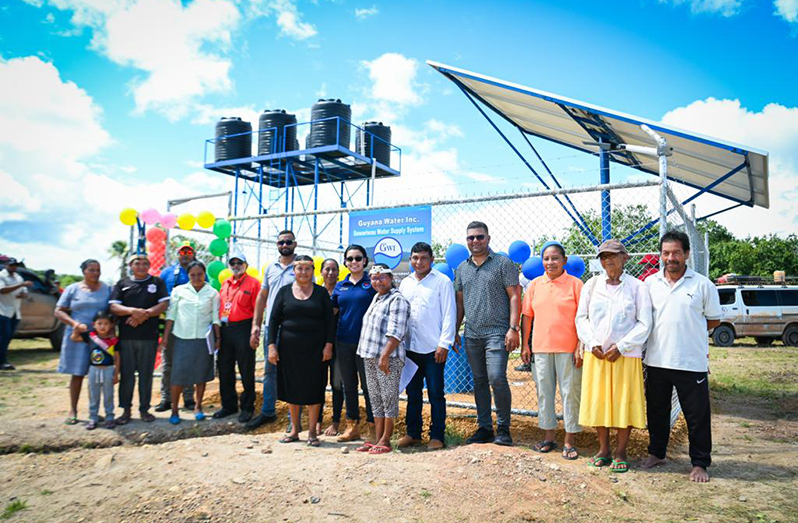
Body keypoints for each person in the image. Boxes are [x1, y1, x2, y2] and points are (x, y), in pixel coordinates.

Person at [642, 231, 721, 483]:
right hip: (655, 361)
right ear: (661, 256)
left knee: (696, 416)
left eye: (676, 252)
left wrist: (688, 333)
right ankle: (657, 453)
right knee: (656, 411)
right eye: (666, 253)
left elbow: (714, 319)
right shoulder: (650, 284)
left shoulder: (702, 285)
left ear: (686, 254)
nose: (671, 257)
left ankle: (699, 463)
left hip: (690, 363)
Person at [575, 240, 652, 472]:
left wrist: (622, 346)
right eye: (603, 256)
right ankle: (603, 449)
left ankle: (620, 452)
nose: (608, 260)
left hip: (625, 356)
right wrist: (592, 342)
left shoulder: (638, 287)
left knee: (623, 403)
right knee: (599, 401)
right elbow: (582, 318)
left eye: (613, 255)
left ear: (625, 258)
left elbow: (645, 323)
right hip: (597, 355)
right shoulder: (591, 284)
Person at [454, 222, 520, 446]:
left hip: (498, 333)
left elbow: (514, 296)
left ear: (488, 238)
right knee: (479, 381)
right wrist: (455, 331)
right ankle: (484, 428)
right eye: (471, 238)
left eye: (479, 237)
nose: (475, 241)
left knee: (496, 378)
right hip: (472, 334)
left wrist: (513, 328)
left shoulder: (503, 263)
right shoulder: (462, 268)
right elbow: (460, 303)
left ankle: (504, 429)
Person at [521, 241, 584, 459]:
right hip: (540, 348)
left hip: (568, 349)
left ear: (564, 261)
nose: (550, 262)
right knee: (544, 394)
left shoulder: (576, 285)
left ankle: (569, 440)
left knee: (570, 393)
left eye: (555, 258)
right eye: (546, 258)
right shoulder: (535, 285)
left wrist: (579, 346)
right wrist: (525, 344)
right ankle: (549, 437)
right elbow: (527, 316)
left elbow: (583, 319)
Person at [267, 255, 335, 446]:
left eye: (307, 268)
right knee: (292, 389)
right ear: (293, 270)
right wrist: (271, 346)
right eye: (299, 268)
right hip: (289, 351)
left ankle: (312, 432)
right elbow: (273, 320)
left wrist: (328, 345)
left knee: (314, 389)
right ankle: (295, 430)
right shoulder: (283, 292)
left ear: (313, 270)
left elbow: (330, 322)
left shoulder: (321, 293)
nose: (303, 272)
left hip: (316, 351)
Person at [397, 242, 457, 451]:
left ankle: (437, 436)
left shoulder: (442, 282)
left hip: (434, 349)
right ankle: (413, 433)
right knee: (413, 394)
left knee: (435, 393)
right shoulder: (405, 283)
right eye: (415, 258)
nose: (418, 262)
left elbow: (450, 314)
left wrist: (444, 344)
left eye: (423, 258)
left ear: (432, 260)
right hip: (410, 349)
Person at [356, 264, 411, 455]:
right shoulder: (377, 298)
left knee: (388, 398)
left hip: (388, 358)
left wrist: (385, 356)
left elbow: (397, 331)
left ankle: (386, 439)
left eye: (382, 278)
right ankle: (377, 437)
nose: (377, 281)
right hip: (369, 355)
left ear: (390, 278)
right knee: (376, 399)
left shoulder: (397, 300)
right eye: (373, 278)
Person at [109, 254, 170, 424]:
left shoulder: (157, 282)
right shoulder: (122, 283)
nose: (141, 266)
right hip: (126, 338)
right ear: (130, 265)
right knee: (127, 374)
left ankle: (144, 409)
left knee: (146, 375)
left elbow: (164, 304)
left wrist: (145, 314)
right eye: (137, 263)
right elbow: (114, 306)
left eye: (145, 263)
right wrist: (132, 311)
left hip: (149, 338)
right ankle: (126, 410)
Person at [247, 231, 297, 430]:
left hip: (293, 328)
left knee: (294, 371)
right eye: (281, 242)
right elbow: (262, 296)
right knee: (270, 371)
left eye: (288, 241)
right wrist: (256, 324)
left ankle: (293, 418)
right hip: (272, 327)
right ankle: (268, 412)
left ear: (295, 244)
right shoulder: (270, 268)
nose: (284, 244)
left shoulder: (301, 266)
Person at [160, 261, 221, 424]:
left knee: (200, 375)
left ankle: (198, 407)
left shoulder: (213, 293)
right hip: (181, 338)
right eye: (193, 275)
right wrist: (165, 337)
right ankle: (174, 411)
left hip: (203, 339)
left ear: (204, 274)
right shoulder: (178, 291)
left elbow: (215, 318)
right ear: (188, 275)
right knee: (177, 376)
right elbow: (171, 315)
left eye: (199, 274)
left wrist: (218, 338)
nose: (196, 278)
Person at [54, 259, 112, 424]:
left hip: (100, 339)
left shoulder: (106, 288)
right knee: (78, 374)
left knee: (98, 376)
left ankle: (94, 412)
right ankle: (73, 409)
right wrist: (74, 323)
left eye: (98, 270)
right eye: (92, 270)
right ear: (84, 271)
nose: (96, 273)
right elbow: (58, 311)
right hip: (77, 337)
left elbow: (112, 310)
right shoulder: (73, 289)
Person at [332, 245, 378, 443]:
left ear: (365, 261)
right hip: (343, 342)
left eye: (358, 258)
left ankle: (373, 428)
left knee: (369, 387)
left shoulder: (373, 283)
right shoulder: (340, 286)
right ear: (345, 262)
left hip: (367, 344)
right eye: (349, 259)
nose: (354, 262)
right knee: (348, 385)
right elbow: (331, 314)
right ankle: (352, 426)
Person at [214, 253, 260, 423]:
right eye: (232, 262)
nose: (235, 265)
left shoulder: (253, 284)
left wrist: (255, 331)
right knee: (224, 368)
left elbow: (258, 309)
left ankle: (247, 407)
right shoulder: (225, 284)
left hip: (244, 328)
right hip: (226, 330)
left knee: (246, 369)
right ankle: (228, 405)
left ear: (245, 264)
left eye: (239, 262)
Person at [156, 244, 199, 412]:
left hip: (191, 323)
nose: (186, 255)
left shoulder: (198, 272)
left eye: (189, 252)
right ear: (178, 255)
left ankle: (188, 398)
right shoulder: (167, 273)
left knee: (188, 362)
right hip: (171, 323)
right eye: (183, 252)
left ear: (194, 255)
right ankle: (166, 399)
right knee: (168, 363)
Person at [72, 311, 120, 430]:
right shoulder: (91, 336)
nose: (102, 326)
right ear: (94, 324)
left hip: (108, 370)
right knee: (94, 395)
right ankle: (93, 417)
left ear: (111, 326)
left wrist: (116, 374)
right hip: (93, 370)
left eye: (106, 324)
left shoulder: (114, 340)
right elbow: (74, 338)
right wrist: (76, 328)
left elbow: (118, 358)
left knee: (108, 395)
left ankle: (109, 417)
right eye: (99, 323)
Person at [320, 258, 345, 437]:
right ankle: (318, 421)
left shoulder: (343, 291)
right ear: (321, 272)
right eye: (327, 269)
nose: (330, 273)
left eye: (334, 269)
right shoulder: (315, 291)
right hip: (318, 346)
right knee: (318, 384)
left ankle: (336, 422)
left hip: (339, 344)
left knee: (337, 384)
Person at [0, 258, 33, 371]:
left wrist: (23, 294)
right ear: (6, 265)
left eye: (15, 265)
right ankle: (2, 362)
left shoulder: (18, 277)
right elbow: (2, 290)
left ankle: (3, 360)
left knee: (7, 338)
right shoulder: (2, 276)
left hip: (15, 312)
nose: (13, 267)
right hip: (3, 311)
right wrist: (21, 285)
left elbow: (24, 291)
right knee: (3, 337)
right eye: (11, 265)